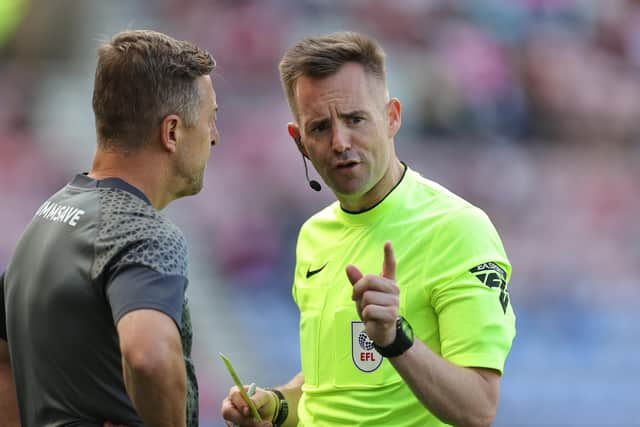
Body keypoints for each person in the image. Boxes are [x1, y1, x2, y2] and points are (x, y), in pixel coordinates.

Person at [221, 31, 516, 427]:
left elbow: (478, 408)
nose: (340, 142)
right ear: (300, 142)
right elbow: (331, 389)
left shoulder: (457, 228)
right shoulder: (313, 236)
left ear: (392, 116)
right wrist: (276, 405)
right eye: (320, 127)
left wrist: (395, 339)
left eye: (355, 119)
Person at [0, 29, 218, 426]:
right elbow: (148, 356)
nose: (214, 138)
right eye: (210, 121)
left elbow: (3, 355)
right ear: (171, 132)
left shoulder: (49, 214)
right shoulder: (142, 232)